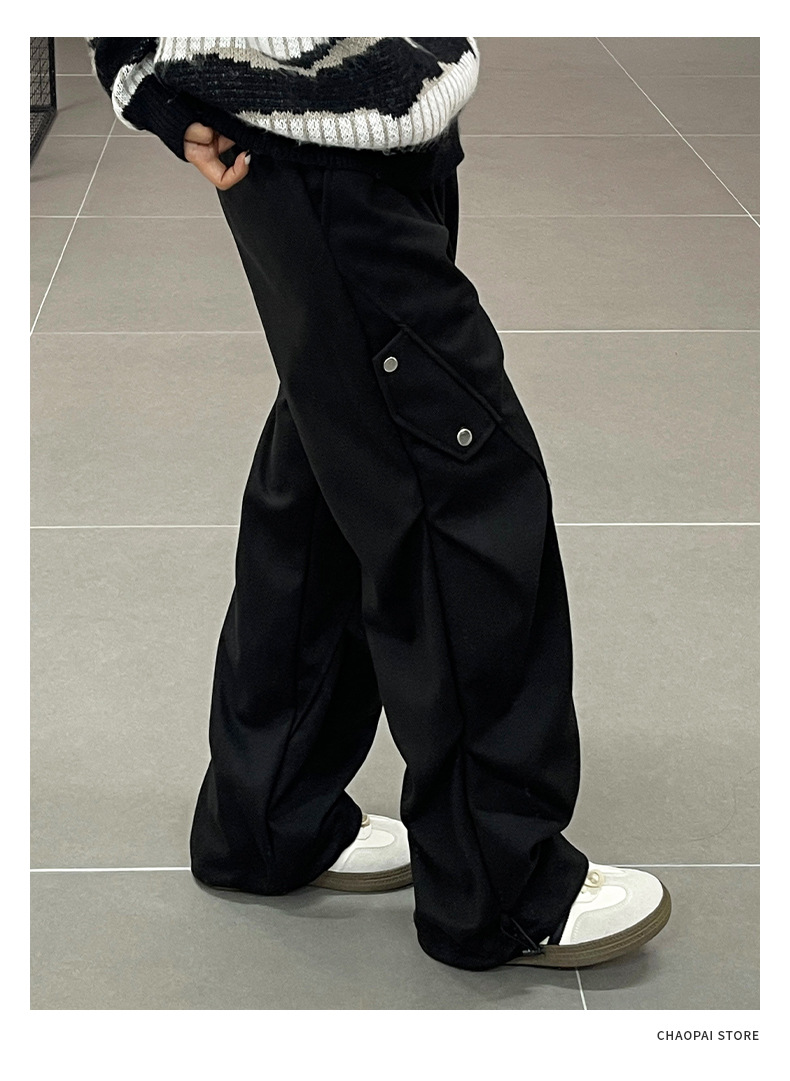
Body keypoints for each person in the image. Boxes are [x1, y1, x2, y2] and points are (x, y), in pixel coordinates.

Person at [88, 36, 670, 972]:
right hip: (302, 124)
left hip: (390, 98)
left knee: (336, 467)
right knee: (462, 491)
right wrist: (142, 77)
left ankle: (269, 815)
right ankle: (501, 883)